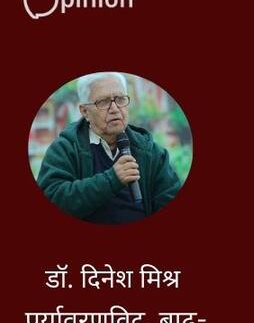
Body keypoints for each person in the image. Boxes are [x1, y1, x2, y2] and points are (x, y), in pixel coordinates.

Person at [37, 72, 180, 224]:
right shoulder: (66, 148)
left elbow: (169, 196)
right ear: (85, 111)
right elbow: (54, 197)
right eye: (103, 102)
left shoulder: (149, 151)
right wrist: (111, 179)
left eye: (120, 99)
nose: (114, 108)